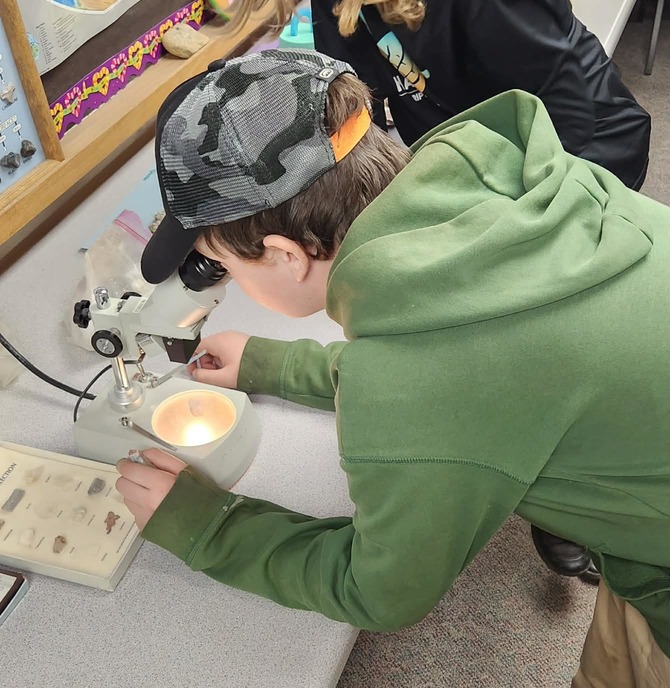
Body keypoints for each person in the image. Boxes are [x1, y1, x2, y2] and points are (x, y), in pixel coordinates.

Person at [219, 0, 651, 578]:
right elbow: (372, 84)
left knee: (520, 360)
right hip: (458, 143)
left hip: (573, 165)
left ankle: (567, 490)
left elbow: (569, 154)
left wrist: (474, 287)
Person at [116, 48, 669, 686]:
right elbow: (483, 365)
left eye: (223, 266)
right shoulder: (501, 192)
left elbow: (383, 589)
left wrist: (205, 525)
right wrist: (275, 364)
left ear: (284, 254)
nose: (226, 282)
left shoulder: (424, 377)